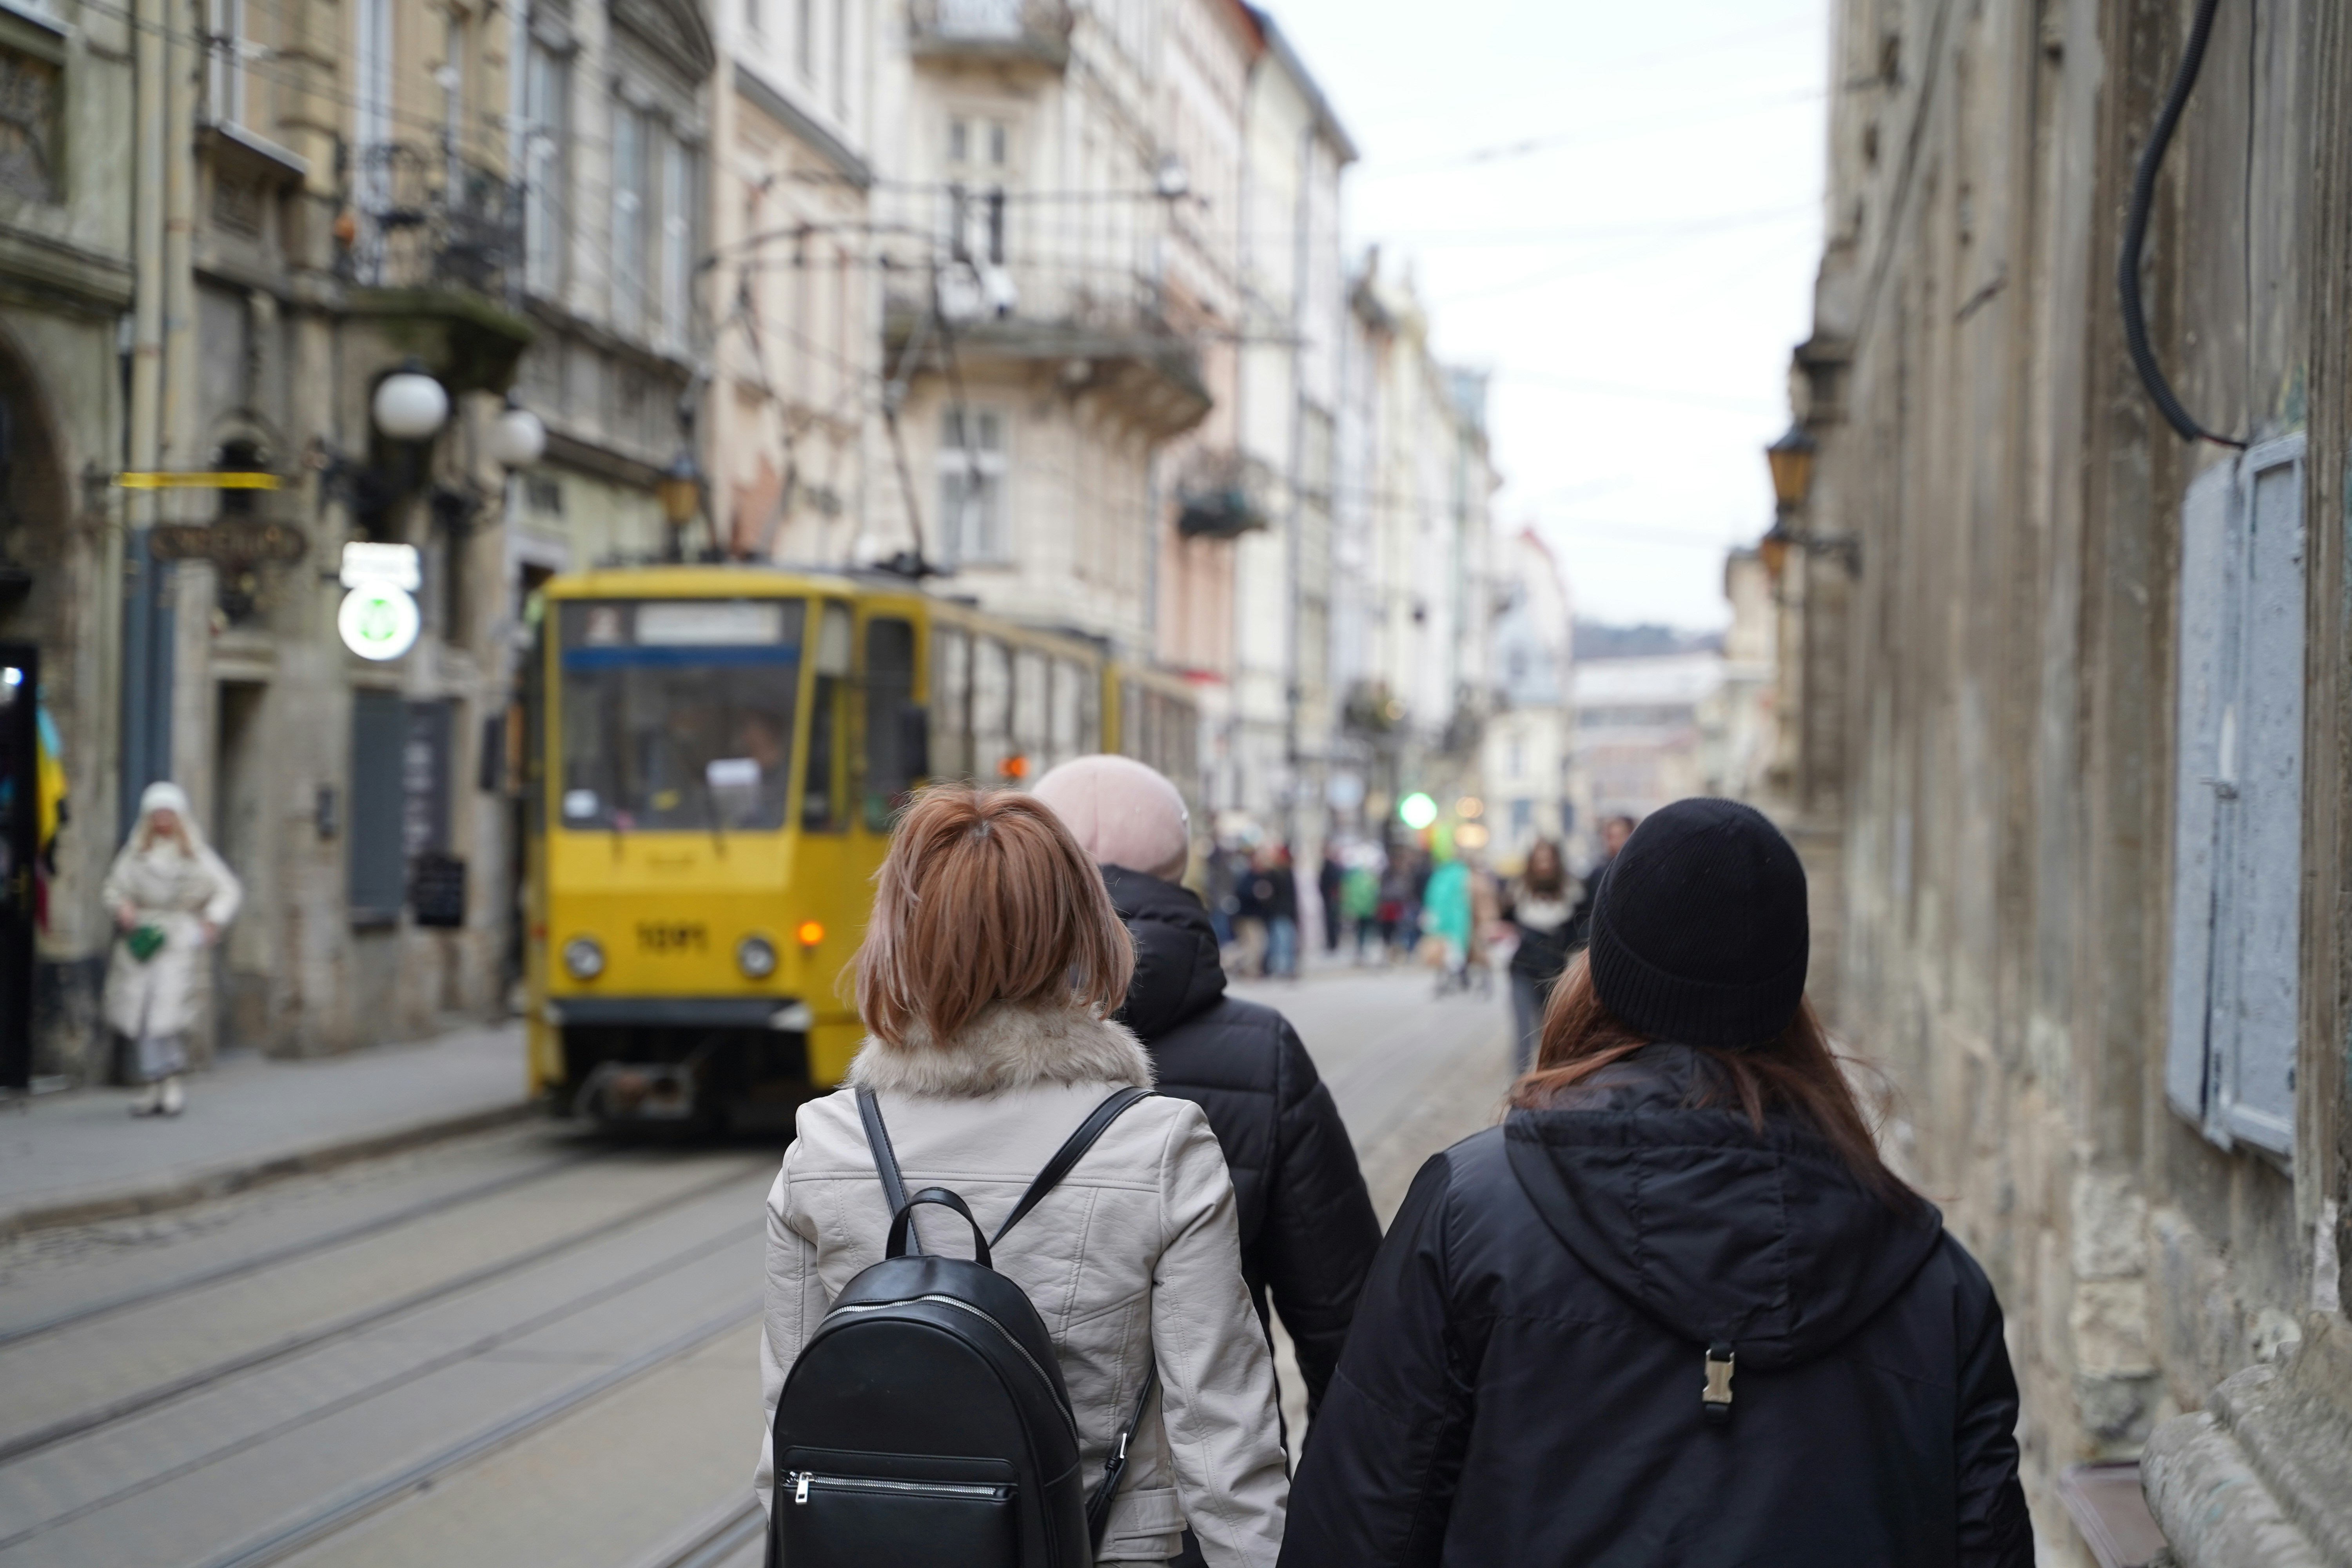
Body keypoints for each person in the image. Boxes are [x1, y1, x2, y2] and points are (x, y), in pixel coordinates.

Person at [1279, 799, 2033, 1568]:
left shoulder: (1471, 1211)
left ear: (1602, 967)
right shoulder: (1933, 1276)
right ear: (1787, 989)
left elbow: (1361, 1520)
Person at [756, 785, 1289, 1567]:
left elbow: (790, 1427)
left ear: (902, 933)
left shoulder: (826, 1141)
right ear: (1078, 925)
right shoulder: (1158, 1145)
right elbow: (1224, 1441)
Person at [1034, 757, 1381, 1437]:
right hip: (1204, 1492)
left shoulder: (940, 1046)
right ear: (1181, 861)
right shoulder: (1263, 1050)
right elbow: (1344, 1321)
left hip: (984, 1506)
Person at [101, 781, 242, 1117]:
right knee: (141, 1014)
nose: (162, 821)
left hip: (178, 936)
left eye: (168, 815)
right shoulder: (135, 853)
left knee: (165, 1014)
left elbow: (228, 889)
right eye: (156, 815)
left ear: (179, 817)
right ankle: (154, 1085)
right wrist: (122, 906)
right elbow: (113, 887)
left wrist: (211, 920)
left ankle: (173, 1082)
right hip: (142, 939)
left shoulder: (195, 853)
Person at [1498, 839, 1573, 1072]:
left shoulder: (1573, 894)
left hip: (1555, 974)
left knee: (1552, 1036)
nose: (1543, 865)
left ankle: (1548, 1090)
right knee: (1523, 1036)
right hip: (1523, 969)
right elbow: (1504, 925)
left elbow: (1577, 937)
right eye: (1539, 859)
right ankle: (1518, 1093)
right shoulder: (1517, 892)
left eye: (1547, 859)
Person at [1567, 811, 1637, 946]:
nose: (1613, 842)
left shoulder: (1640, 871)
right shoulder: (1598, 874)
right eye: (1610, 837)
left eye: (1618, 836)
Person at [1252, 847, 1299, 980]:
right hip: (1277, 913)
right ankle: (1280, 968)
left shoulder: (1288, 873)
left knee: (1286, 941)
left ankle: (1286, 968)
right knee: (1280, 941)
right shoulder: (1272, 874)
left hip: (1286, 913)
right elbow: (1264, 894)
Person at [1316, 846, 1345, 955]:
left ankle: (1332, 943)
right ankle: (1332, 943)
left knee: (1331, 922)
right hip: (1331, 898)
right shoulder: (1332, 866)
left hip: (1331, 899)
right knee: (1332, 922)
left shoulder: (1330, 866)